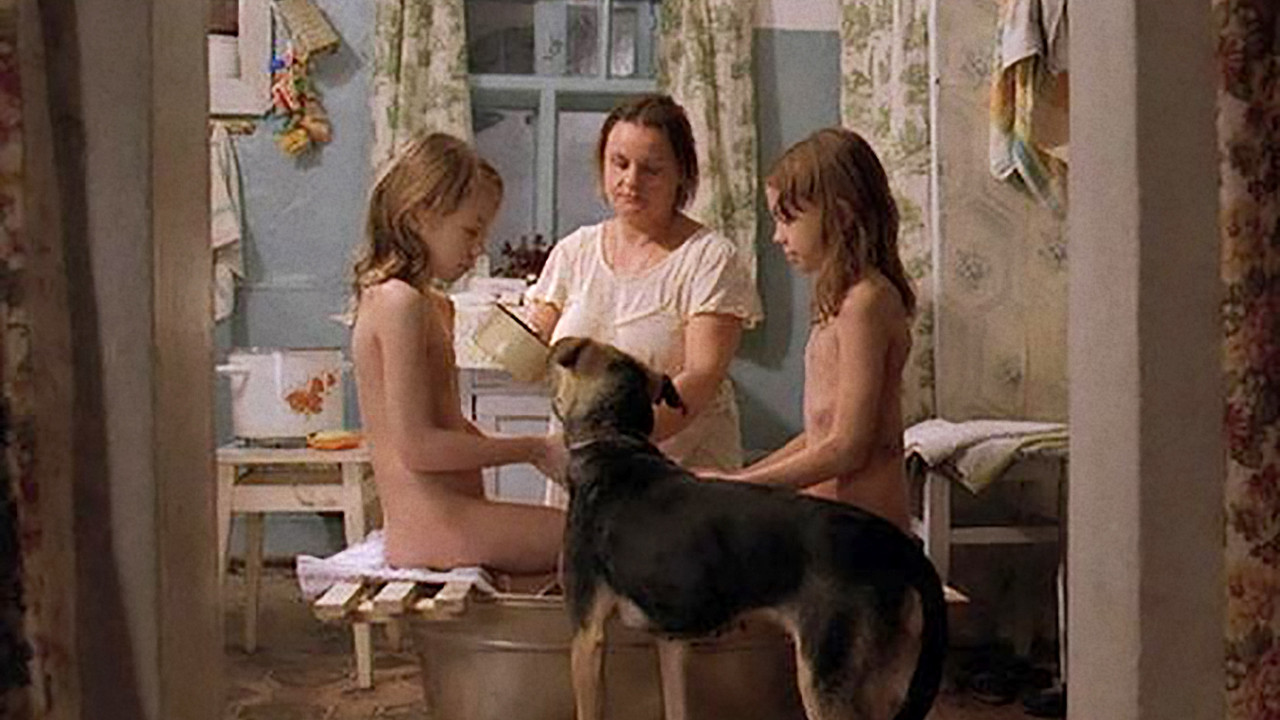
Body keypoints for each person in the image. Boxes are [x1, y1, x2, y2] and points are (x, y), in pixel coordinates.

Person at [350, 133, 566, 575]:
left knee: (598, 534)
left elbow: (450, 423)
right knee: (602, 540)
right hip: (431, 528)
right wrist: (532, 448)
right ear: (419, 216)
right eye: (470, 230)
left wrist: (545, 454)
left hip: (458, 515)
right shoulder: (397, 303)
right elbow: (418, 448)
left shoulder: (433, 305)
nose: (479, 247)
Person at [526, 94, 762, 472]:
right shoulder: (574, 252)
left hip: (675, 472)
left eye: (651, 169)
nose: (630, 181)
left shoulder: (710, 258)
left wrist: (619, 443)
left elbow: (701, 378)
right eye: (619, 163)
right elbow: (538, 346)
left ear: (682, 173)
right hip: (586, 468)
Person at [706, 127, 916, 531]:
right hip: (829, 529)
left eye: (787, 219)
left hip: (865, 537)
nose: (777, 237)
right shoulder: (841, 304)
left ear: (841, 215)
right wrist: (736, 481)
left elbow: (848, 448)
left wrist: (741, 486)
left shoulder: (866, 303)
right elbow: (820, 437)